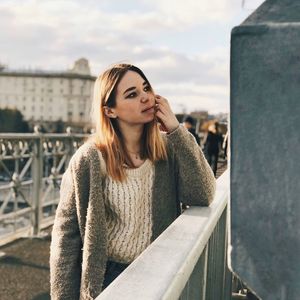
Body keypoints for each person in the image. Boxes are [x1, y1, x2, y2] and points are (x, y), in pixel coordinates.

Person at [50, 63, 216, 300]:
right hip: (109, 277)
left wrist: (176, 130)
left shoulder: (167, 148)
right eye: (132, 94)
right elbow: (66, 236)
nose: (146, 98)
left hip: (159, 273)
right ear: (110, 111)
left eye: (146, 88)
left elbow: (203, 194)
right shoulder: (89, 159)